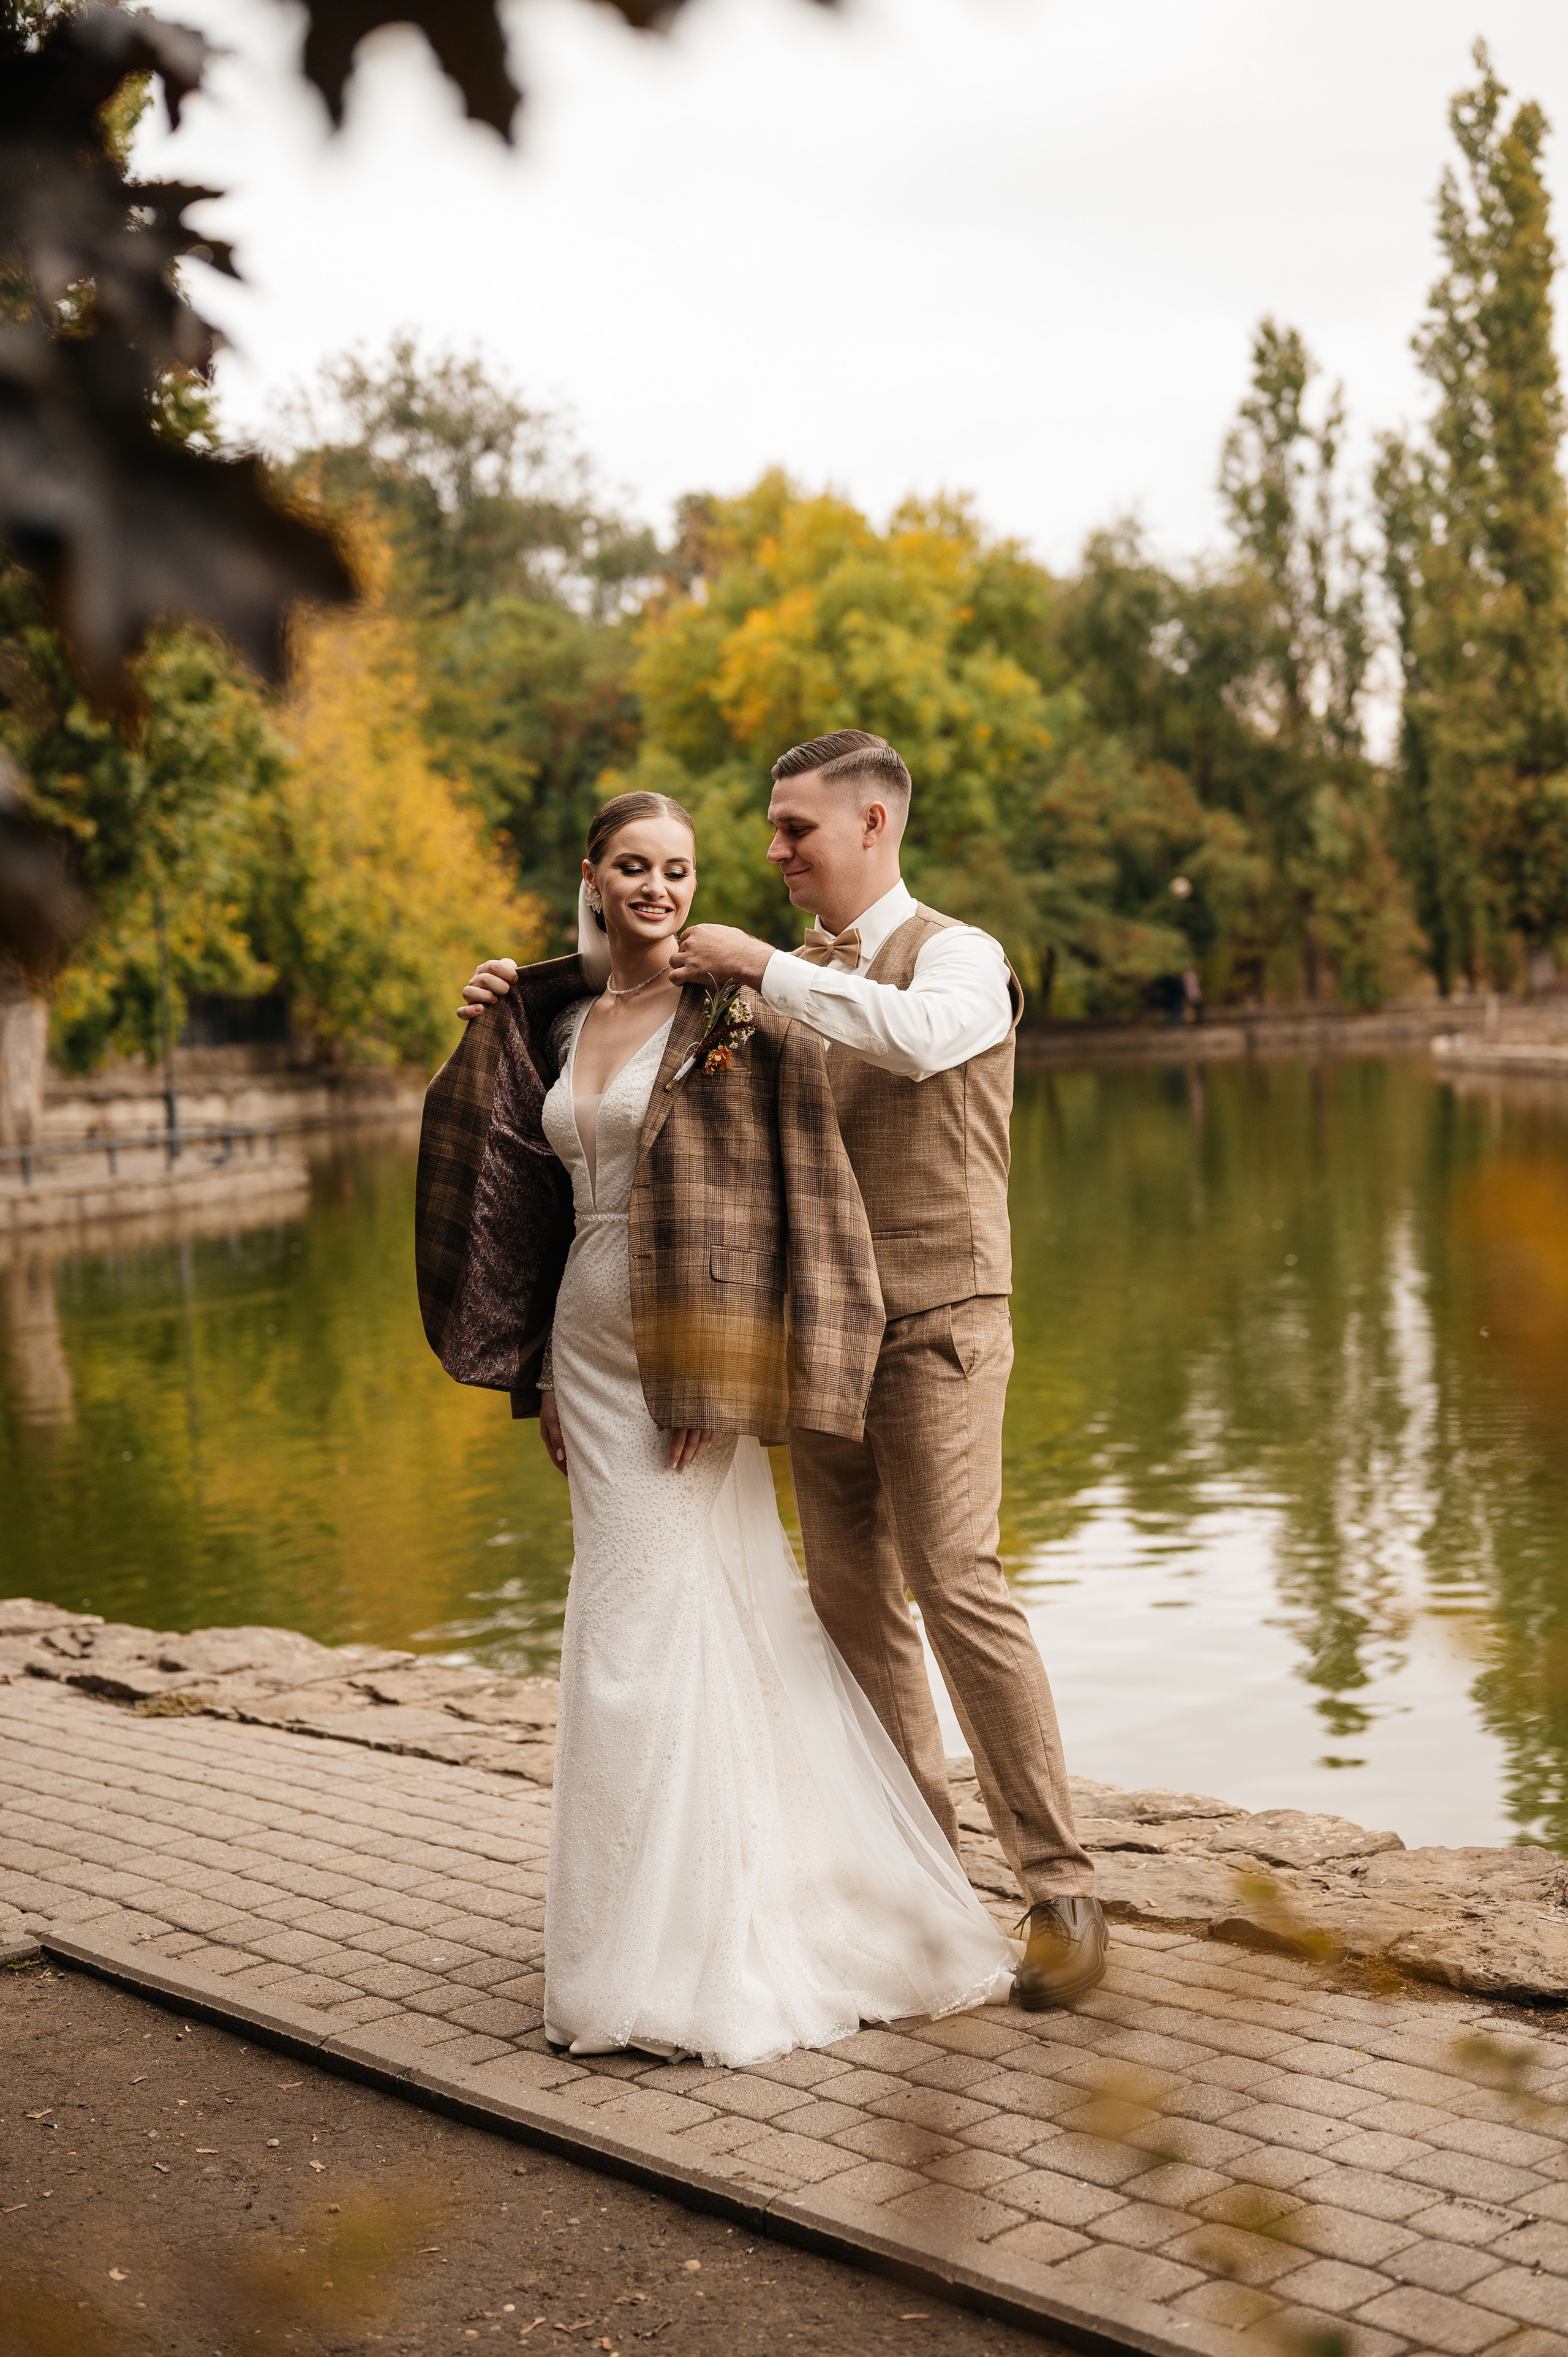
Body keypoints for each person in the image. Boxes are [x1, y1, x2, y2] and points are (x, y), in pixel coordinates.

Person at [460, 737, 1108, 2010]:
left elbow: (920, 1042)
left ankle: (1061, 1888)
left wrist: (762, 964)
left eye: (792, 832)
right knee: (853, 1601)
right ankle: (923, 1878)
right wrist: (520, 983)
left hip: (936, 1316)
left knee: (954, 1575)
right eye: (765, 832)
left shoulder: (956, 957)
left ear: (870, 822)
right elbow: (626, 1008)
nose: (773, 855)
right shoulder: (774, 979)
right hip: (815, 1327)